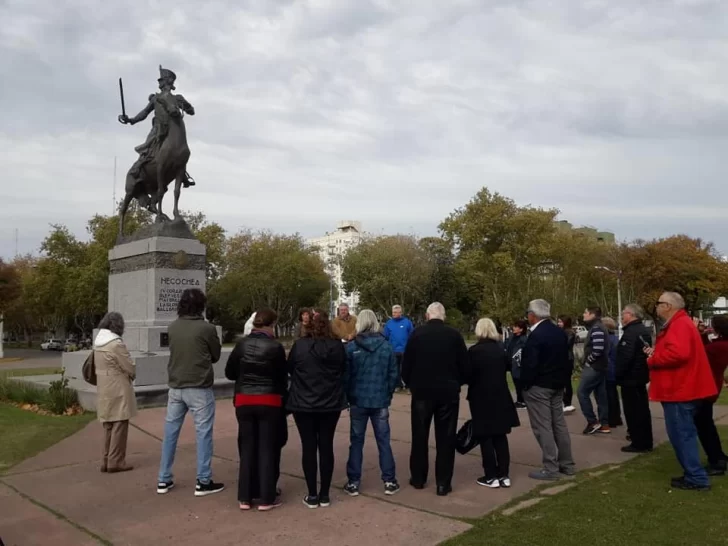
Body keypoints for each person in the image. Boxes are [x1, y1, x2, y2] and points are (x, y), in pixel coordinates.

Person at [645, 292, 717, 491]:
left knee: (682, 435)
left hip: (680, 390)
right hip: (682, 388)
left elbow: (679, 353)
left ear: (667, 306)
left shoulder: (679, 324)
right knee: (683, 434)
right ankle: (693, 474)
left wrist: (653, 359)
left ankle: (696, 477)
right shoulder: (681, 323)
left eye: (658, 303)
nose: (656, 307)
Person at [157, 288, 224, 497]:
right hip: (199, 387)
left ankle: (163, 478)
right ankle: (203, 480)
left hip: (176, 387)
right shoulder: (207, 328)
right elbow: (215, 355)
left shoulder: (173, 327)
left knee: (170, 433)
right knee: (203, 434)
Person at [402, 302, 468, 496]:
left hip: (422, 392)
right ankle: (443, 482)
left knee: (420, 436)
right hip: (448, 392)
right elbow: (465, 367)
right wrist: (456, 382)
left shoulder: (417, 334)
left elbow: (406, 365)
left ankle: (418, 478)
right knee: (446, 438)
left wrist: (412, 383)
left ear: (427, 315)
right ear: (443, 316)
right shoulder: (454, 335)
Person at [225, 308, 288, 512]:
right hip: (269, 400)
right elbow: (282, 376)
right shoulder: (275, 347)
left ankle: (245, 496)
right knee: (268, 448)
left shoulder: (241, 344)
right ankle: (267, 496)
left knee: (247, 447)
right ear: (271, 324)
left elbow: (230, 372)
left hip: (244, 399)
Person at [287, 311, 347, 508]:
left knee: (309, 446)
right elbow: (343, 369)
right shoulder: (337, 346)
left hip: (304, 403)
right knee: (326, 445)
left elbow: (290, 368)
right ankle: (324, 494)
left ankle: (313, 494)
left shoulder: (300, 346)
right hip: (329, 402)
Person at [344, 310, 401, 497]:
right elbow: (393, 374)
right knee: (384, 441)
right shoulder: (386, 347)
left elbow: (346, 375)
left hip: (358, 399)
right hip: (379, 399)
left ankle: (353, 481)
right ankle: (389, 480)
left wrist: (348, 395)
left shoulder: (352, 348)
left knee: (356, 441)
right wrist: (388, 393)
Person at [520, 299, 576, 481]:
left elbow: (530, 364)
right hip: (557, 384)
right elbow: (568, 359)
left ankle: (550, 467)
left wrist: (525, 385)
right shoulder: (559, 332)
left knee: (543, 427)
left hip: (539, 386)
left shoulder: (536, 336)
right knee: (558, 425)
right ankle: (567, 464)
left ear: (532, 315)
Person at [467, 318, 520, 488]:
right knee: (500, 436)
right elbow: (508, 367)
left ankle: (490, 475)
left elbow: (468, 374)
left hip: (481, 396)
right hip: (500, 395)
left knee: (485, 436)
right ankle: (504, 474)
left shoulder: (474, 351)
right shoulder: (501, 350)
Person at [94, 312, 137, 473]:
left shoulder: (98, 342)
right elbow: (129, 366)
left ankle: (106, 459)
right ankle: (116, 461)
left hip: (104, 385)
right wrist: (133, 373)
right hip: (118, 385)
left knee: (109, 424)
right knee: (120, 422)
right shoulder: (115, 344)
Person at [615, 304, 654, 453]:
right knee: (641, 409)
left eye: (624, 313)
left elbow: (626, 356)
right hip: (639, 376)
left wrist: (617, 374)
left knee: (634, 411)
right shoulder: (641, 330)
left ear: (631, 315)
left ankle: (639, 442)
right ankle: (644, 440)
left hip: (631, 377)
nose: (622, 316)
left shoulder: (632, 332)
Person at [696, 314, 728, 475]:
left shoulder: (719, 347)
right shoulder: (720, 345)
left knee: (704, 426)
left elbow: (701, 353)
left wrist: (697, 333)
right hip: (711, 387)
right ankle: (718, 456)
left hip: (706, 388)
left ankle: (716, 460)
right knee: (706, 424)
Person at [577, 307, 610, 435]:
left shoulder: (596, 328)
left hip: (594, 367)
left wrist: (588, 361)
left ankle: (593, 422)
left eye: (585, 313)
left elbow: (598, 349)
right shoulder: (599, 326)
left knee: (582, 392)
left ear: (592, 314)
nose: (583, 315)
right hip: (600, 366)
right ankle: (604, 424)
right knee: (601, 395)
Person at [383, 304, 415, 391]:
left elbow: (412, 335)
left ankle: (408, 385)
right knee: (395, 369)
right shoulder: (389, 324)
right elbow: (385, 336)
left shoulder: (407, 322)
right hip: (393, 351)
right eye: (393, 312)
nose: (394, 314)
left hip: (405, 350)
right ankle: (398, 385)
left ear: (400, 313)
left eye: (396, 312)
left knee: (406, 368)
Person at [603, 317, 623, 428]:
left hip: (608, 370)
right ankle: (616, 417)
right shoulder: (615, 339)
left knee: (608, 396)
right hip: (614, 368)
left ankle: (611, 418)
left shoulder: (607, 340)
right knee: (613, 395)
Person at [506, 319, 529, 409]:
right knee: (516, 382)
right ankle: (520, 400)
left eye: (516, 327)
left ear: (521, 329)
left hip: (519, 364)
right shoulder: (512, 337)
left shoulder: (524, 339)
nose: (514, 328)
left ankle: (523, 401)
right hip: (511, 364)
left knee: (520, 382)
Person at [557, 315, 577, 414]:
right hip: (564, 358)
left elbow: (566, 345)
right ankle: (565, 402)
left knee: (566, 382)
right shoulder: (562, 332)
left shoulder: (569, 333)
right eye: (558, 322)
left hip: (567, 359)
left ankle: (567, 402)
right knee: (565, 381)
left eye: (560, 322)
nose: (558, 324)